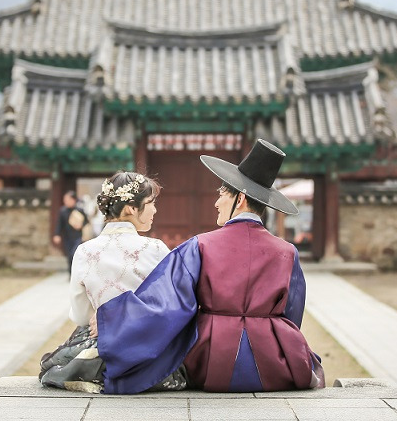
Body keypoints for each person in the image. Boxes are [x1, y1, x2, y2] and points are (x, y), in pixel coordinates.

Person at [95, 139, 325, 394]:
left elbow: (165, 306)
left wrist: (113, 319)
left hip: (213, 362)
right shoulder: (288, 252)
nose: (216, 203)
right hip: (276, 364)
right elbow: (292, 315)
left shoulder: (199, 246)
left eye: (221, 195)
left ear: (240, 199)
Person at [39, 171, 187, 393]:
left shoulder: (84, 251)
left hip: (102, 354)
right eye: (150, 203)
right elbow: (173, 308)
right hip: (149, 355)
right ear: (130, 208)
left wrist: (105, 315)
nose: (155, 209)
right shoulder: (156, 250)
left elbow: (80, 316)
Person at [51, 191, 88, 274]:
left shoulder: (80, 210)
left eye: (68, 199)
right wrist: (57, 234)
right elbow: (59, 224)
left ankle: (78, 273)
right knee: (69, 256)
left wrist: (81, 225)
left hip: (78, 236)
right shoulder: (62, 211)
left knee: (74, 254)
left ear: (73, 200)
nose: (66, 201)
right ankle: (71, 273)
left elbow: (86, 222)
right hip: (67, 237)